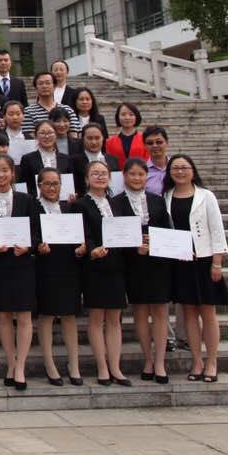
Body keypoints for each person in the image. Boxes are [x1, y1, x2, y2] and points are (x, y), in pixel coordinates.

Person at [164, 153, 228, 382]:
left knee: (208, 314)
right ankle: (196, 361)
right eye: (175, 168)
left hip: (204, 261)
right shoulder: (166, 196)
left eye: (184, 167)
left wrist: (217, 261)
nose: (180, 172)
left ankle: (211, 361)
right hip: (180, 262)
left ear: (192, 171)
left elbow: (217, 229)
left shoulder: (206, 196)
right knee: (189, 315)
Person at [0, 154, 39, 391]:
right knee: (4, 316)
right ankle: (10, 363)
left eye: (5, 170)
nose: (1, 175)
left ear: (13, 173)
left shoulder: (27, 200)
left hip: (22, 263)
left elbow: (37, 231)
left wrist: (29, 246)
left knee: (24, 316)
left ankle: (21, 366)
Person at [113, 157, 172, 383]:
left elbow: (167, 230)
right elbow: (114, 235)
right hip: (132, 263)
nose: (137, 178)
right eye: (132, 174)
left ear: (146, 177)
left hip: (157, 262)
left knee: (159, 312)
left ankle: (160, 362)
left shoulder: (157, 201)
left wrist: (154, 242)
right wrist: (134, 246)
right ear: (125, 177)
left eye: (141, 174)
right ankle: (147, 359)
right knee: (139, 312)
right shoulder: (115, 202)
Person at [75, 160, 130, 386]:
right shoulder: (81, 204)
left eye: (103, 173)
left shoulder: (117, 203)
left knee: (115, 319)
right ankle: (102, 367)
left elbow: (127, 229)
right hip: (95, 266)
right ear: (87, 179)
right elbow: (82, 233)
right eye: (95, 174)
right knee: (97, 319)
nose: (100, 177)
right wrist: (91, 250)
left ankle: (116, 367)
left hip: (117, 265)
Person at [34, 167, 85, 386]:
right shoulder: (33, 207)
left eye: (56, 184)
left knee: (69, 316)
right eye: (48, 184)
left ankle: (74, 364)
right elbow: (30, 234)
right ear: (39, 186)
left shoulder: (69, 207)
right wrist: (38, 246)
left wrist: (83, 246)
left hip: (68, 265)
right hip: (45, 266)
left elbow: (79, 234)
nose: (52, 188)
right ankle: (50, 364)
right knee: (46, 315)